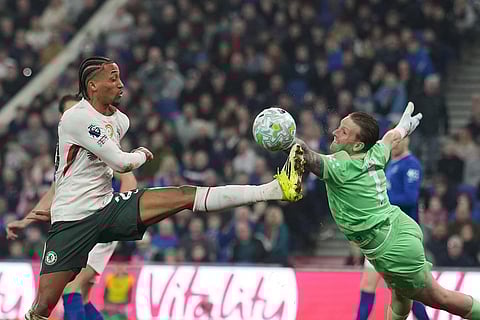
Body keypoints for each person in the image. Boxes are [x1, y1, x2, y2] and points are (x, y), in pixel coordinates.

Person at [25, 56, 304, 320]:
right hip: (72, 220)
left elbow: (107, 164)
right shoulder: (76, 117)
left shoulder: (120, 120)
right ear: (92, 86)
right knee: (43, 306)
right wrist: (143, 154)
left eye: (120, 77)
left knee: (183, 195)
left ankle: (274, 190)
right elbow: (121, 163)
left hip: (107, 208)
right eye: (113, 78)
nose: (121, 84)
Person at [294, 102, 480, 320]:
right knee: (400, 303)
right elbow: (390, 138)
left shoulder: (343, 168)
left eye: (343, 131)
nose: (335, 132)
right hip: (393, 232)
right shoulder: (376, 153)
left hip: (393, 246)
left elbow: (308, 156)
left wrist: (287, 139)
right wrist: (403, 128)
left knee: (440, 298)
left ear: (357, 146)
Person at [7, 95, 138, 320]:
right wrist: (26, 221)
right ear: (62, 118)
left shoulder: (97, 144)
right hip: (82, 224)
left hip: (96, 223)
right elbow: (54, 191)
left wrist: (112, 216)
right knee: (82, 296)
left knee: (71, 289)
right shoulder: (68, 152)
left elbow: (129, 181)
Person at [355, 135, 430, 320]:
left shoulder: (411, 164)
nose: (394, 144)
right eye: (392, 141)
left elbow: (411, 198)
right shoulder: (391, 164)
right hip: (382, 234)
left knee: (409, 291)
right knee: (367, 284)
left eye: (398, 140)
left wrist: (381, 200)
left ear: (407, 141)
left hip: (402, 235)